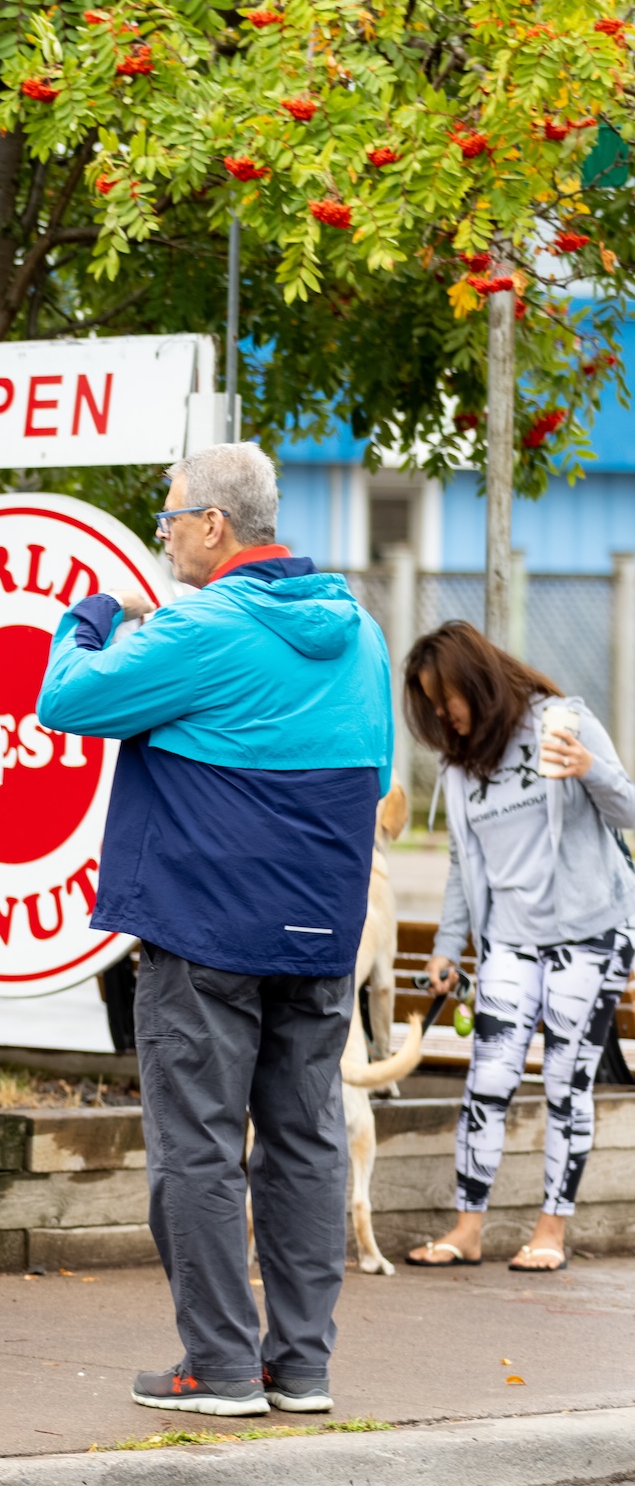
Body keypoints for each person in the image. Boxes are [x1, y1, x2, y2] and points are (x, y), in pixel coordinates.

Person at [36, 442, 390, 1419]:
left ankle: (221, 1367)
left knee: (196, 1148)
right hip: (319, 930)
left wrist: (91, 615)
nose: (161, 532)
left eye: (169, 516)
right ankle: (302, 1368)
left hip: (203, 932)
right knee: (305, 1143)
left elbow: (64, 698)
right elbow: (373, 770)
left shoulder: (200, 625)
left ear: (213, 527)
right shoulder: (358, 630)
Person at [400, 622, 635, 1273]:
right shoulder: (461, 766)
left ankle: (551, 1231)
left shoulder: (563, 723)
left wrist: (592, 772)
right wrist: (448, 946)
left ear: (475, 680)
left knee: (566, 1081)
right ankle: (467, 1228)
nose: (443, 713)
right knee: (489, 1081)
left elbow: (629, 811)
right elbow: (461, 862)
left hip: (589, 934)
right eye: (431, 702)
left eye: (445, 696)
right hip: (509, 941)